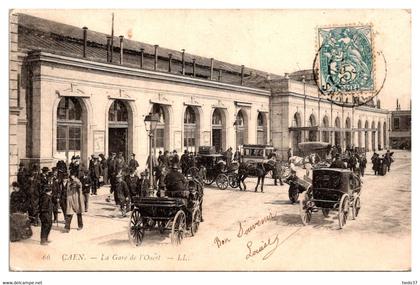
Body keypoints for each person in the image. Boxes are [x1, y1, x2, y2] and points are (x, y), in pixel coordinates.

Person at [39, 179, 53, 245]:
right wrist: (46, 215)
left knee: (49, 226)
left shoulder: (48, 197)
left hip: (48, 214)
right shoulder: (45, 198)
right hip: (45, 215)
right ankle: (43, 240)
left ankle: (46, 238)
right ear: (49, 191)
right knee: (45, 227)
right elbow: (43, 208)